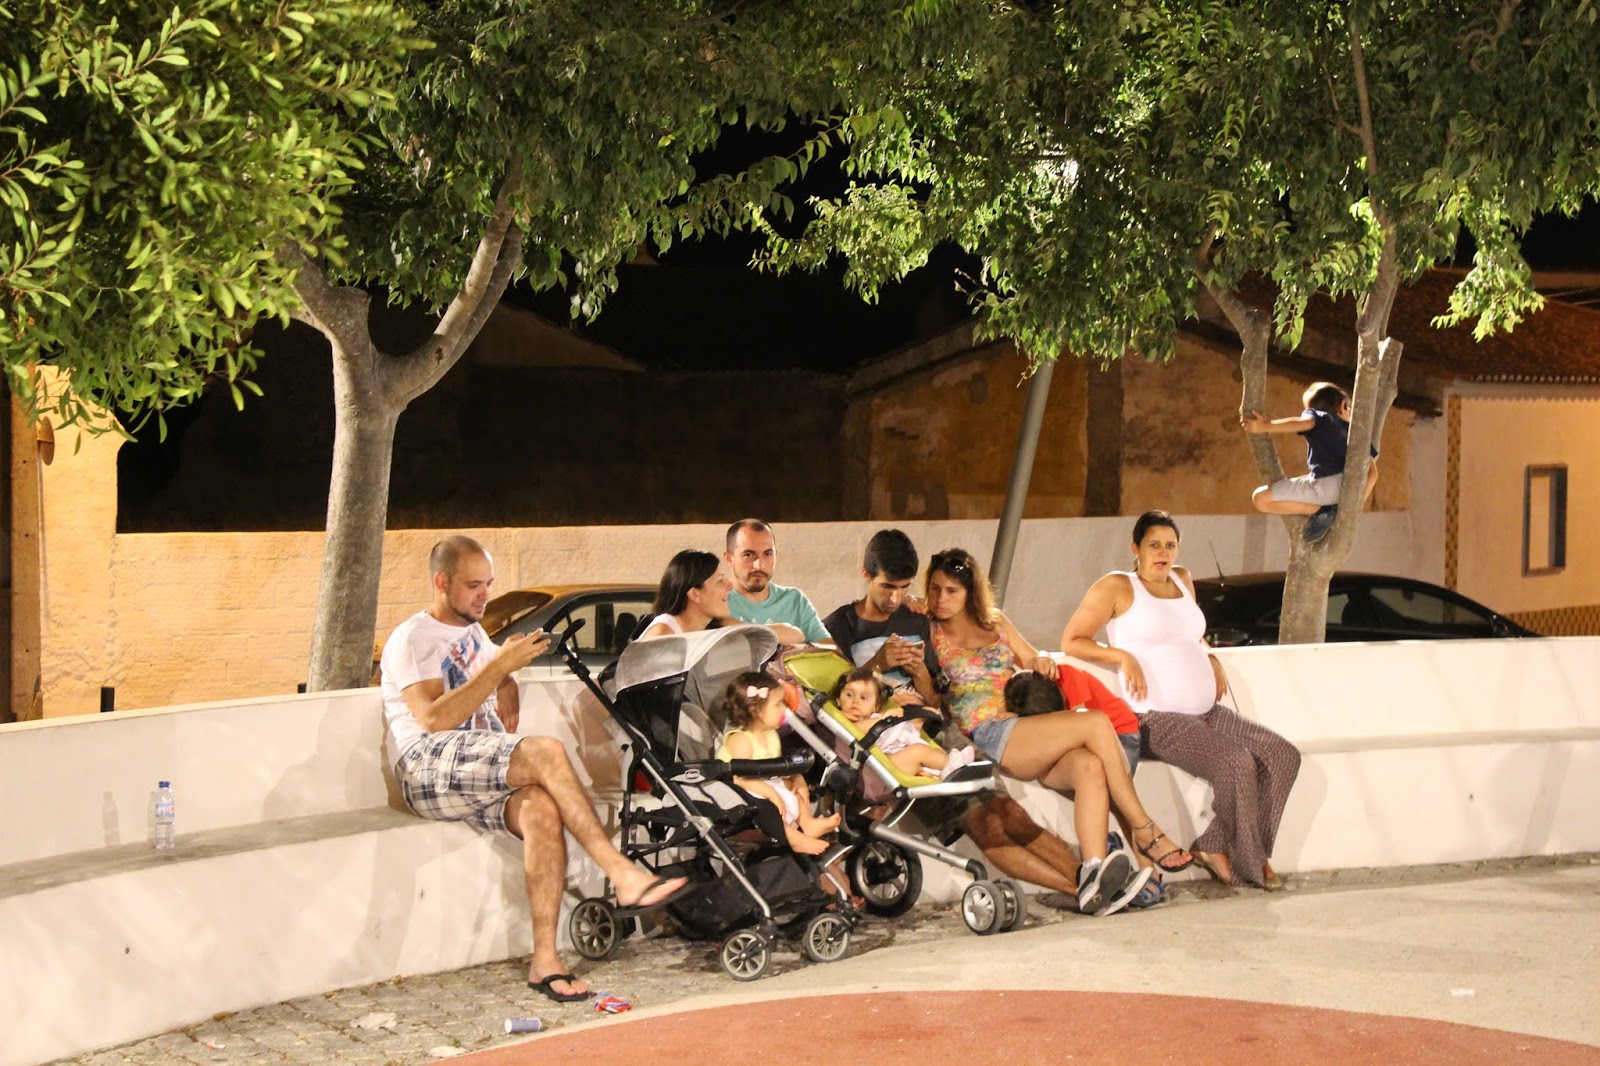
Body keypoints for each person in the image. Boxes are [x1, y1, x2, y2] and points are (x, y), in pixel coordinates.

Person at [379, 535, 689, 1003]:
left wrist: (506, 675)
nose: (484, 595)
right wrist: (498, 667)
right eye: (473, 586)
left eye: (488, 584)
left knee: (542, 809)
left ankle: (545, 960)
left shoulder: (473, 633)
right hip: (427, 765)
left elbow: (491, 672)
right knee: (545, 751)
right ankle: (620, 872)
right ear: (441, 583)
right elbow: (433, 719)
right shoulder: (413, 638)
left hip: (476, 769)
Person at [823, 530, 1096, 908]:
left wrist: (920, 674)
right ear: (866, 575)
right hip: (897, 745)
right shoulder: (839, 626)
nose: (896, 598)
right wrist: (876, 664)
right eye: (887, 587)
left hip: (941, 731)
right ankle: (1080, 892)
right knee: (985, 824)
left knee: (1008, 810)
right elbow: (836, 701)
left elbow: (936, 696)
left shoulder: (916, 620)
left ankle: (1089, 878)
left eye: (903, 588)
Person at [928, 547, 1195, 916]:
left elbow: (1031, 657)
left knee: (1089, 766)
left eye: (951, 591)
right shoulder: (930, 629)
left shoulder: (995, 622)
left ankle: (1093, 874)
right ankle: (1145, 830)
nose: (941, 599)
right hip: (988, 734)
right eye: (935, 589)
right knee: (1095, 722)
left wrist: (1040, 661)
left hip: (1026, 729)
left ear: (970, 591)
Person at [1060, 511, 1302, 891]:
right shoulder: (1118, 586)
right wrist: (1122, 656)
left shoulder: (1182, 579)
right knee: (1236, 762)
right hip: (1156, 718)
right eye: (1154, 545)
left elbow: (1187, 634)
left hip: (1206, 711)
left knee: (1281, 755)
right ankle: (1252, 866)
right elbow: (1072, 640)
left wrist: (1208, 654)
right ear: (1135, 548)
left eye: (1170, 546)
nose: (1163, 553)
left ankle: (1213, 844)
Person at [714, 671, 841, 855]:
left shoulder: (771, 735)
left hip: (763, 781)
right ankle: (794, 839)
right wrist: (770, 792)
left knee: (792, 784)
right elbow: (740, 778)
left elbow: (777, 767)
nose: (784, 709)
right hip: (737, 787)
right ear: (756, 711)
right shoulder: (741, 739)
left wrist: (796, 777)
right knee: (767, 804)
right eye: (778, 704)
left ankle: (807, 822)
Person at [1242, 380, 1379, 541]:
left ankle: (1322, 511)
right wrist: (1354, 507)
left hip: (1323, 488)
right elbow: (1373, 473)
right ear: (1343, 406)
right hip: (1348, 491)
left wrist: (1265, 426)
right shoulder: (1359, 436)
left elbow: (1304, 423)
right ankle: (1329, 510)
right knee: (1303, 483)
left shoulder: (1320, 416)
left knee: (1260, 499)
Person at [830, 665, 977, 780]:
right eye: (849, 695)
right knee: (918, 751)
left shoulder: (873, 716)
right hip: (878, 768)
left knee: (925, 748)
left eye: (863, 698)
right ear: (838, 700)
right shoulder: (842, 720)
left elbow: (894, 737)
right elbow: (858, 731)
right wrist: (885, 719)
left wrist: (911, 723)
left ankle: (947, 766)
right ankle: (953, 769)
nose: (855, 701)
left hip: (893, 759)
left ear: (875, 706)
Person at [639, 548, 805, 643]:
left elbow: (795, 635)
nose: (730, 585)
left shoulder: (715, 625)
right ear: (695, 594)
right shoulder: (663, 633)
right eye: (720, 581)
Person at [723, 518, 832, 643]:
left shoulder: (794, 600)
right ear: (729, 558)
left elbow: (831, 650)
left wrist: (800, 646)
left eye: (768, 554)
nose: (759, 566)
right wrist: (786, 635)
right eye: (748, 554)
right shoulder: (716, 601)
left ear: (776, 555)